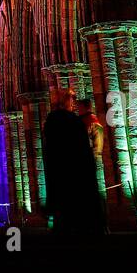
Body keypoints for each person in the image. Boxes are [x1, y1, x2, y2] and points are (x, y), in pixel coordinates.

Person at [43, 88, 91, 234]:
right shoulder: (72, 121)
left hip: (60, 170)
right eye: (71, 98)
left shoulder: (53, 120)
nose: (73, 102)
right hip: (70, 169)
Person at [76, 98, 108, 233]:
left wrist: (92, 158)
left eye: (79, 107)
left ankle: (100, 225)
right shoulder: (82, 121)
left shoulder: (92, 122)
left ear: (85, 107)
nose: (77, 110)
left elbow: (97, 146)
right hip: (84, 162)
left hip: (89, 163)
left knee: (95, 194)